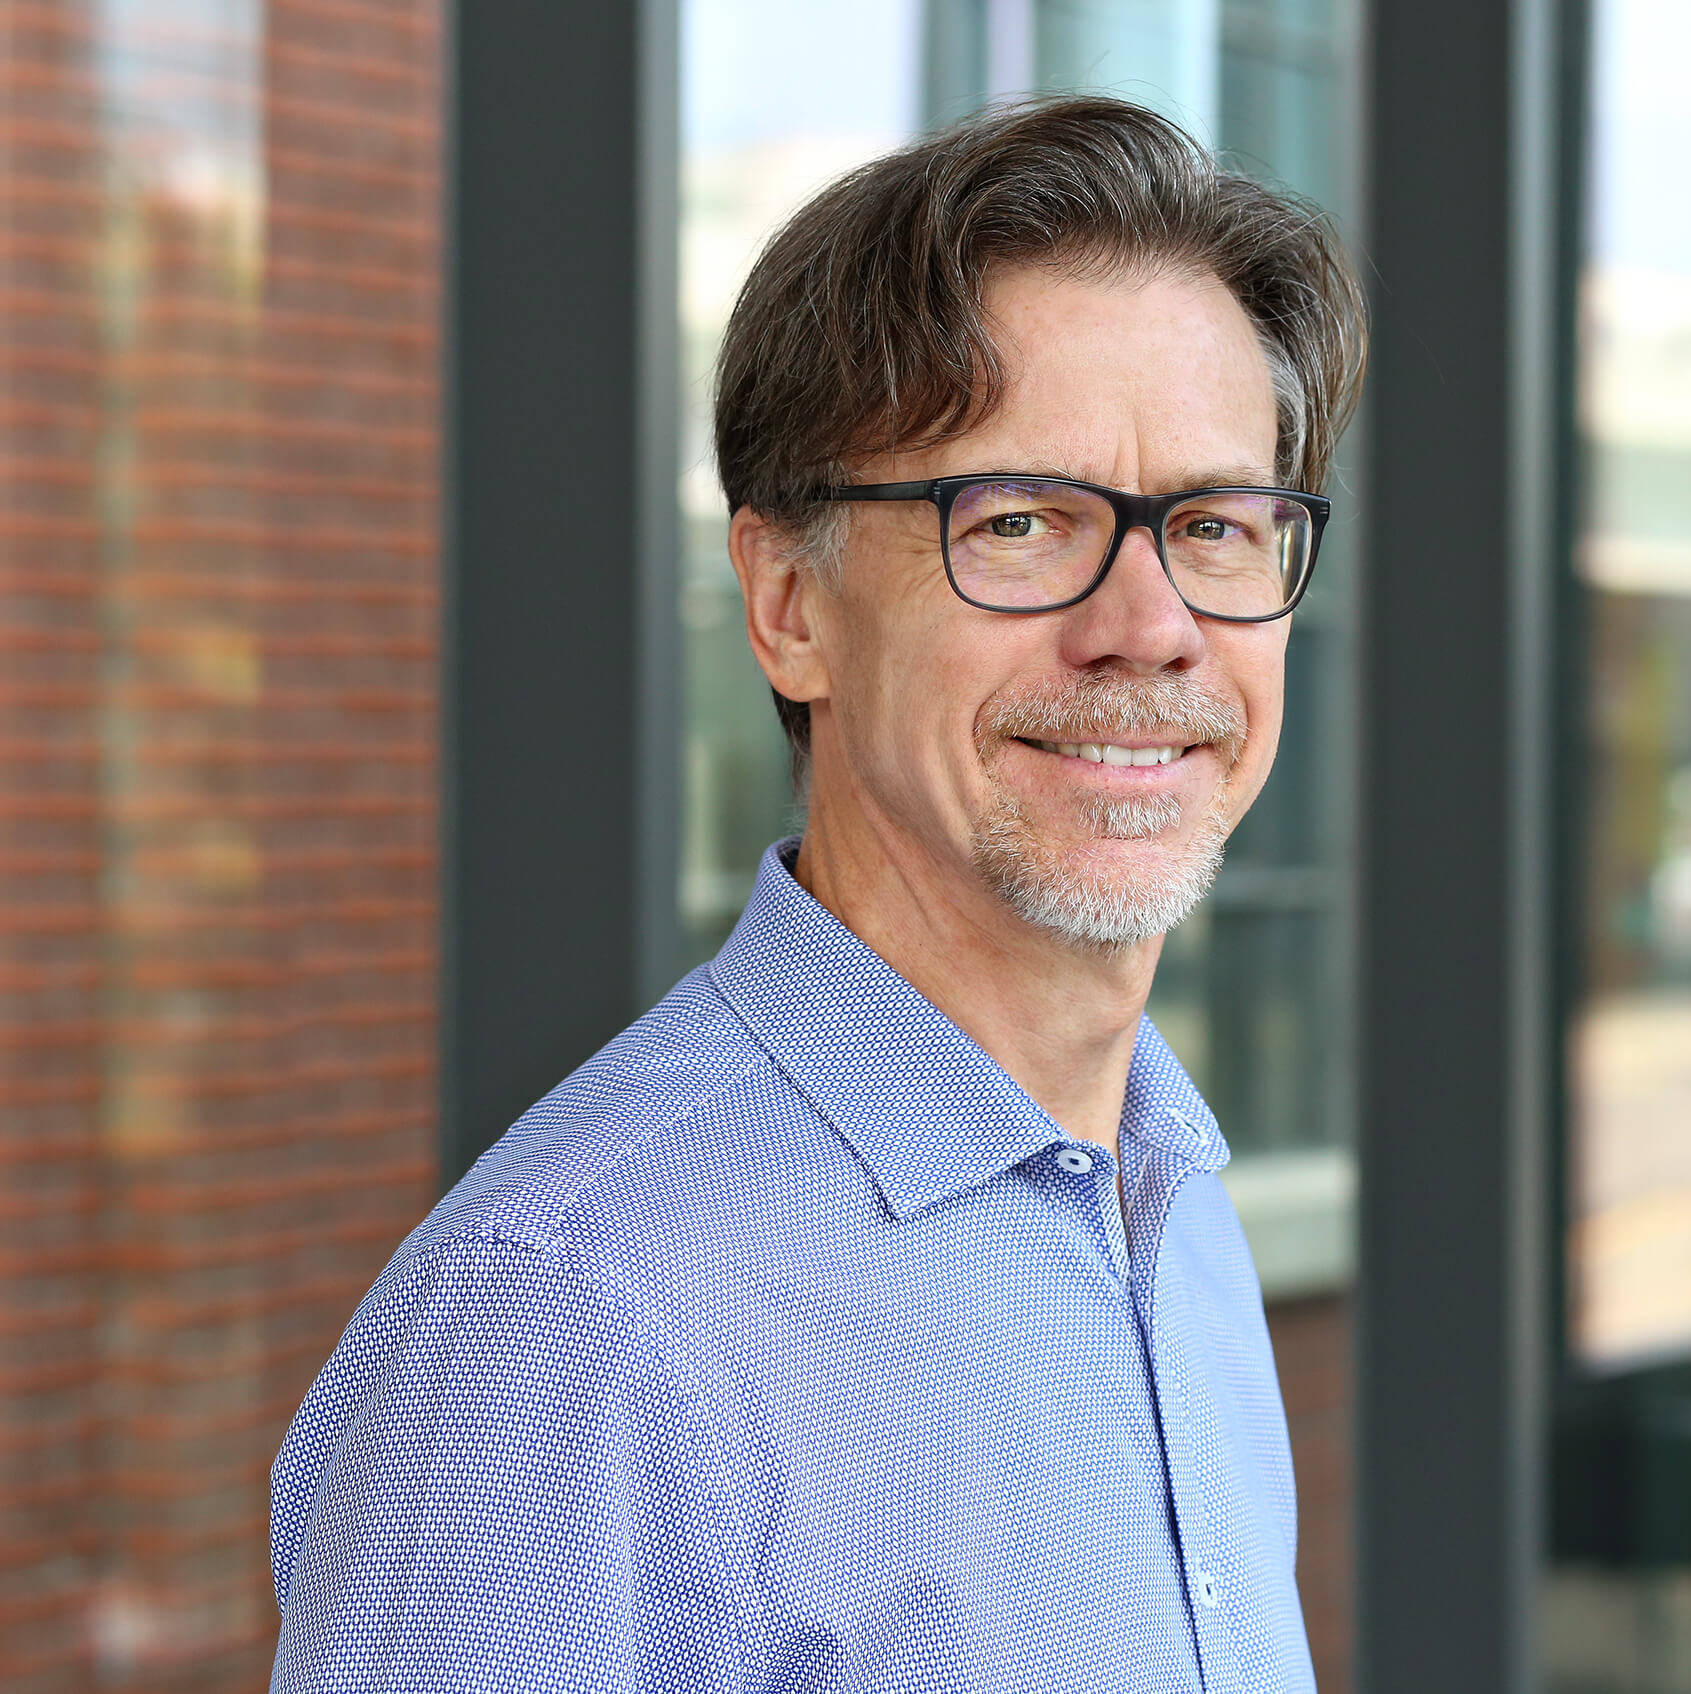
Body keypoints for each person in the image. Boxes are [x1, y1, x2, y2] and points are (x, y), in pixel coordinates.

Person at [266, 95, 1366, 1693]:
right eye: (1021, 520)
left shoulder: (1171, 1206)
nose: (1150, 625)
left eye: (1214, 526)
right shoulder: (567, 1311)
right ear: (789, 605)